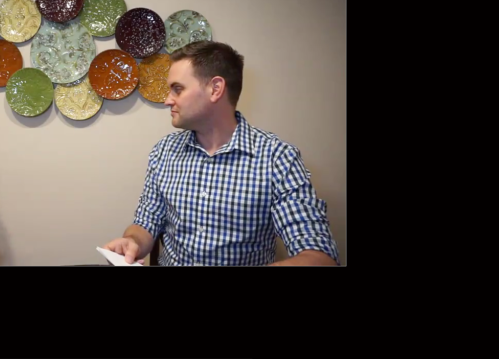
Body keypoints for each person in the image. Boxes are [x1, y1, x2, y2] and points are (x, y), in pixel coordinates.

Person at [102, 41, 340, 266]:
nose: (167, 100)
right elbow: (146, 223)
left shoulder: (278, 158)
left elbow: (319, 257)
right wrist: (132, 241)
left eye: (177, 89)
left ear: (215, 89)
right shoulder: (164, 151)